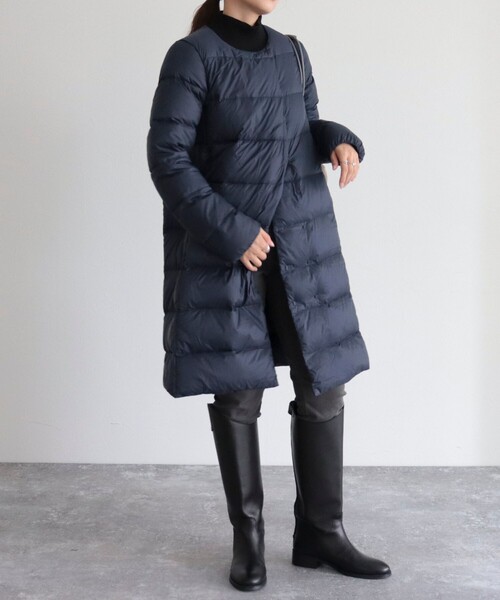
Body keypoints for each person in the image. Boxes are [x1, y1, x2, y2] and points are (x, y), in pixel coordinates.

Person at [147, 0, 391, 592]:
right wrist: (232, 233)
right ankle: (248, 539)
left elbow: (300, 130)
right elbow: (167, 158)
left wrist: (337, 140)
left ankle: (321, 533)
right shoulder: (193, 56)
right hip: (231, 250)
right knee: (238, 393)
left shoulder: (292, 51)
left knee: (323, 387)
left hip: (301, 243)